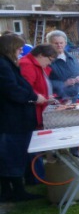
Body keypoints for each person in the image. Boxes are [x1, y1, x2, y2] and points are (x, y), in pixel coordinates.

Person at [1, 33, 46, 202]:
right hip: (11, 119)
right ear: (10, 47)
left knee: (8, 156)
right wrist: (34, 98)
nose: (21, 51)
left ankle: (8, 191)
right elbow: (11, 89)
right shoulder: (3, 64)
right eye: (19, 48)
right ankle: (16, 191)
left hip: (12, 118)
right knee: (12, 156)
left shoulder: (7, 63)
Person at [19, 43, 56, 128]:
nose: (50, 63)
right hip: (31, 112)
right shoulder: (27, 64)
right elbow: (26, 88)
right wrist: (39, 97)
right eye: (50, 59)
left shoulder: (38, 65)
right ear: (41, 55)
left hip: (38, 109)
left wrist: (47, 97)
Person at [45, 30, 79, 102]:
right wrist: (64, 84)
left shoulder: (72, 57)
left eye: (61, 43)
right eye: (56, 43)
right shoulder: (47, 61)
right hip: (57, 100)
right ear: (49, 44)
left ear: (65, 43)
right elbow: (44, 82)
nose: (59, 45)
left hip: (75, 98)